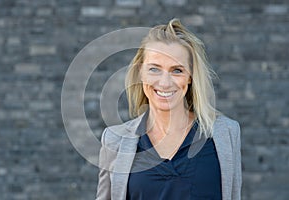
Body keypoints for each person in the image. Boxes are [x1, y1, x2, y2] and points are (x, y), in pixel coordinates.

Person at [96, 18, 241, 200]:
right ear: (141, 72)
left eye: (177, 70)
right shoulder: (114, 141)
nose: (164, 83)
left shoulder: (225, 133)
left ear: (190, 76)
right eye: (154, 69)